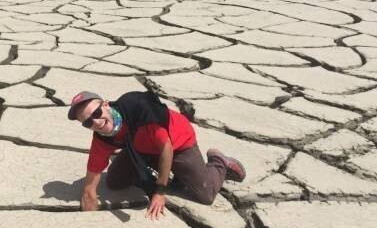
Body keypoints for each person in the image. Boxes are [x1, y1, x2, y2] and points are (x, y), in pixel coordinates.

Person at [68, 90, 246, 220]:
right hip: (142, 149)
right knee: (115, 182)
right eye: (88, 122)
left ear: (105, 104)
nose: (96, 122)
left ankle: (218, 162)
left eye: (97, 113)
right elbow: (93, 175)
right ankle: (160, 170)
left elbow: (166, 148)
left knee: (205, 195)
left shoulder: (138, 108)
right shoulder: (102, 136)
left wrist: (160, 191)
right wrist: (88, 197)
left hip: (177, 143)